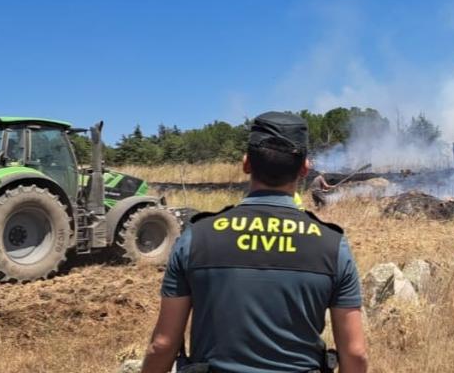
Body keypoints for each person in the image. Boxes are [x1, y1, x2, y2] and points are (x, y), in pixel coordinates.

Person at [141, 112, 368, 373]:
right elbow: (355, 353)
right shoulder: (331, 245)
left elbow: (162, 345)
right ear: (305, 168)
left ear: (246, 163)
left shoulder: (197, 237)